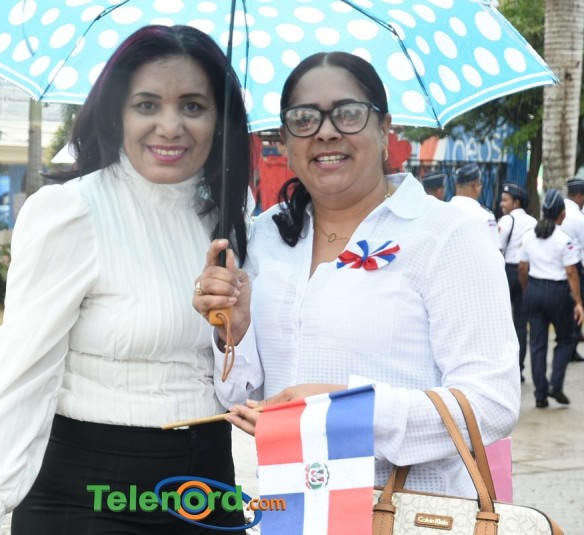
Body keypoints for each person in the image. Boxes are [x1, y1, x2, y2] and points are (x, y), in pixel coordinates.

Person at [0, 25, 253, 535]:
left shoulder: (228, 218)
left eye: (193, 106)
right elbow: (22, 370)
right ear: (117, 114)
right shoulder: (71, 211)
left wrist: (230, 333)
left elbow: (236, 374)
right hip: (90, 491)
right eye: (147, 105)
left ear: (219, 119)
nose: (170, 126)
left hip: (208, 483)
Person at [193, 51, 519, 498]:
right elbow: (240, 396)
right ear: (285, 142)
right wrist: (234, 329)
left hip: (406, 513)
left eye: (348, 114)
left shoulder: (448, 237)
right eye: (304, 118)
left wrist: (351, 412)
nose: (326, 131)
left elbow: (492, 405)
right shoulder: (265, 238)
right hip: (295, 508)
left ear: (385, 131)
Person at [518, 189, 583, 408]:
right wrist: (578, 302)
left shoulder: (529, 236)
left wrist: (527, 290)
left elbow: (522, 267)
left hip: (534, 290)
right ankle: (555, 383)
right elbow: (571, 272)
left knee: (537, 344)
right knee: (566, 338)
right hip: (558, 293)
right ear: (561, 214)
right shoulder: (564, 239)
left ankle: (540, 394)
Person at [497, 183, 537, 380]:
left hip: (507, 272)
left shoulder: (506, 220)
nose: (501, 204)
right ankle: (518, 369)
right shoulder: (533, 222)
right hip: (526, 272)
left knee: (502, 321)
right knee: (521, 323)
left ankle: (503, 367)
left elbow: (498, 249)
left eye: (505, 200)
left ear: (516, 203)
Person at [448, 163, 500, 249]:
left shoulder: (444, 211)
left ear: (456, 185)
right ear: (476, 186)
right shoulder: (485, 215)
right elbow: (495, 248)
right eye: (480, 184)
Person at [561, 177, 584, 362]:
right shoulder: (578, 217)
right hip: (575, 266)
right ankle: (571, 347)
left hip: (556, 264)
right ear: (579, 196)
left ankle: (565, 343)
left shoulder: (558, 209)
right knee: (577, 304)